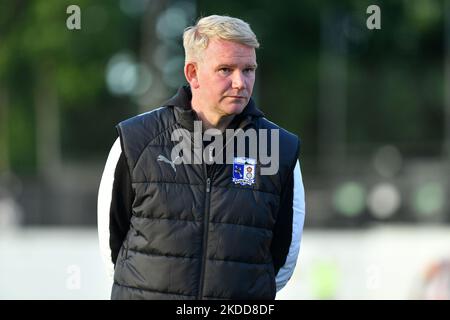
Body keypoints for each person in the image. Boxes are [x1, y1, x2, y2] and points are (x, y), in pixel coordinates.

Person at [97, 15, 306, 300]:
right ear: (192, 73)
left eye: (248, 69)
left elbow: (282, 262)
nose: (240, 82)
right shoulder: (136, 140)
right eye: (225, 69)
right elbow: (112, 249)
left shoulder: (280, 149)